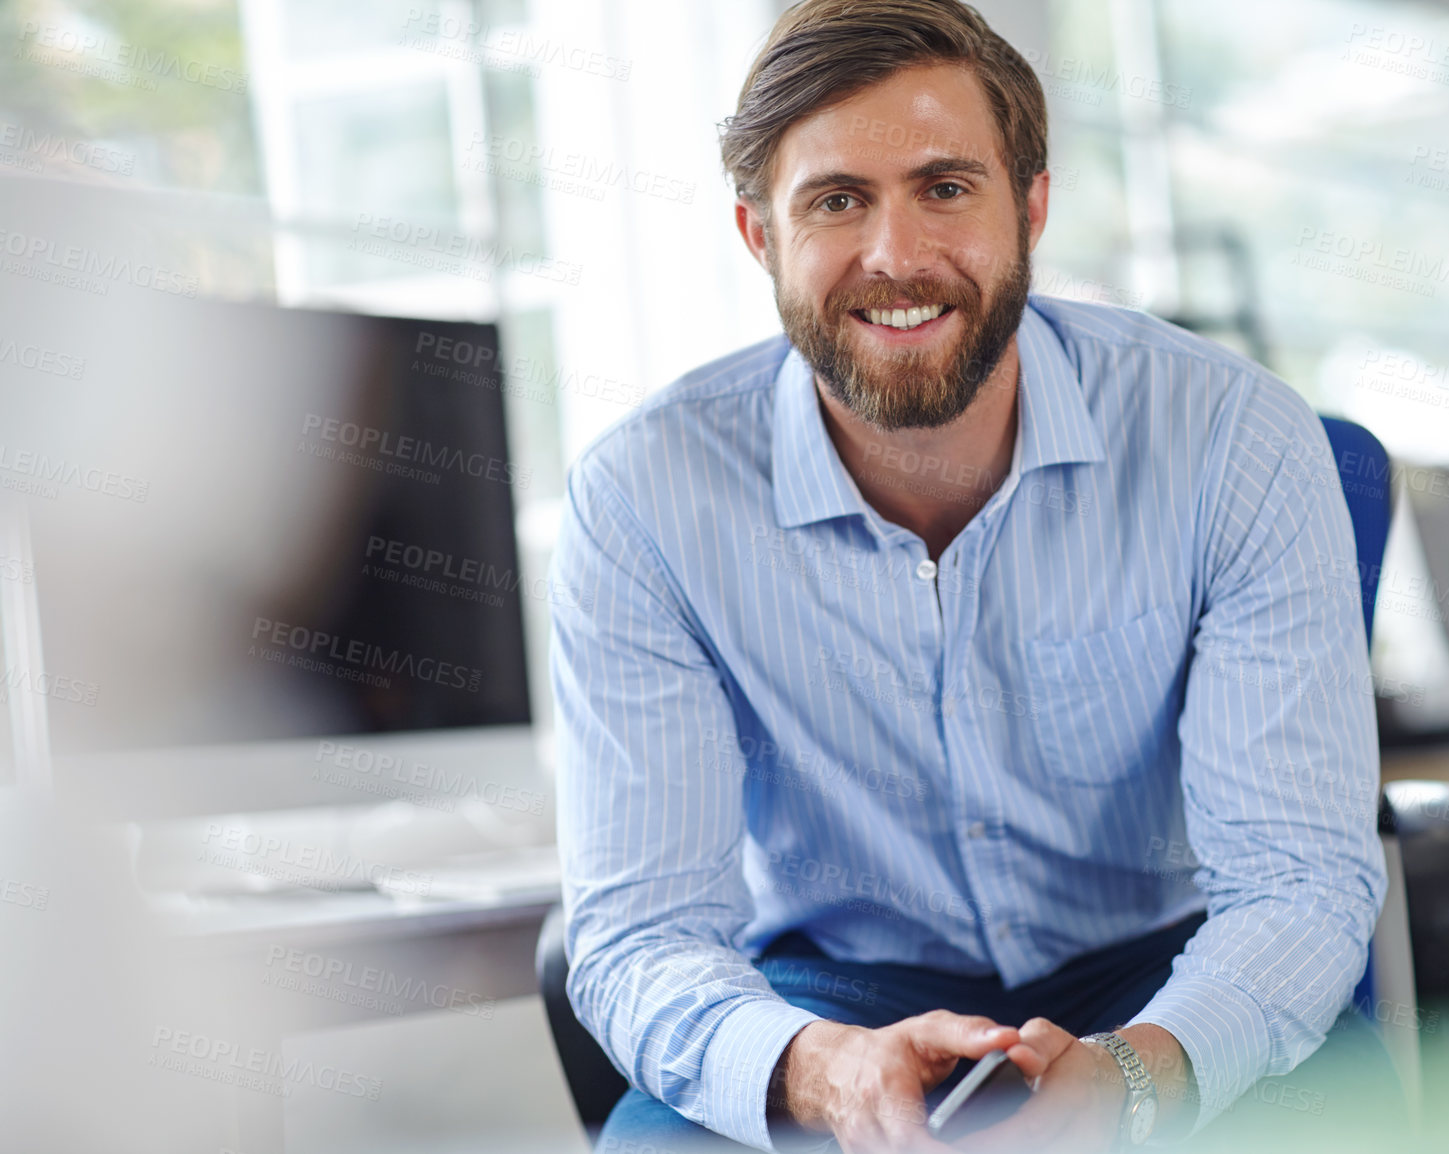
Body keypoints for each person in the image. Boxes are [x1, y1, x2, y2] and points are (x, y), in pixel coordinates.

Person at [549, 1, 1390, 1150]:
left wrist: (1136, 1078)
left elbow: (1296, 877)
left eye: (945, 187)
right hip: (828, 999)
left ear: (1029, 206)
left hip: (1173, 972)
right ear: (758, 235)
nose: (896, 256)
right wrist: (823, 1072)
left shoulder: (1235, 441)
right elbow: (640, 931)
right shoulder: (641, 498)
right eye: (837, 200)